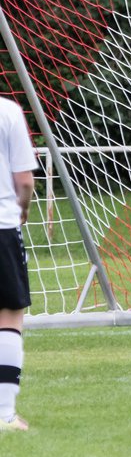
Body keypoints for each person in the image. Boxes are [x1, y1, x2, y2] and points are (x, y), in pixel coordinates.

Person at [0, 95, 36, 432]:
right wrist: (22, 208)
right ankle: (5, 414)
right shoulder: (8, 111)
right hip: (1, 226)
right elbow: (24, 181)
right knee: (9, 316)